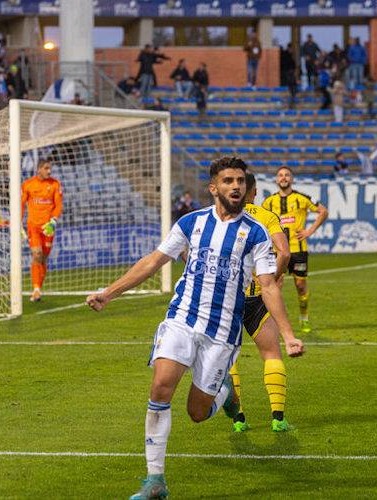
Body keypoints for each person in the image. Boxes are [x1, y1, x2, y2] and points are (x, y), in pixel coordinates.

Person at [86, 157, 304, 500]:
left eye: (240, 181)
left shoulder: (257, 233)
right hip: (182, 318)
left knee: (197, 413)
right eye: (228, 181)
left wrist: (288, 334)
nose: (236, 186)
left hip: (222, 331)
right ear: (213, 187)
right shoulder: (190, 223)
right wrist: (109, 293)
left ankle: (224, 394)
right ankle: (155, 481)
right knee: (160, 387)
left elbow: (269, 285)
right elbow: (154, 260)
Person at [229, 172, 300, 433]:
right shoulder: (266, 217)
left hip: (227, 299)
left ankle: (239, 419)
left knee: (228, 360)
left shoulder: (218, 217)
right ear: (255, 192)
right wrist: (274, 276)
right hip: (258, 296)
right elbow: (285, 252)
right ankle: (278, 418)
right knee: (271, 353)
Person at [262, 167, 329, 333]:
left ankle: (304, 317)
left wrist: (310, 231)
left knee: (300, 285)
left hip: (298, 250)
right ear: (276, 180)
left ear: (291, 179)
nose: (283, 178)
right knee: (276, 286)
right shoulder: (268, 202)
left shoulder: (302, 198)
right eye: (280, 175)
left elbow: (323, 211)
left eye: (286, 175)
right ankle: (276, 322)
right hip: (277, 251)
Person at [21, 159, 63, 302]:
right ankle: (36, 288)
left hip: (48, 228)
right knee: (37, 254)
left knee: (44, 258)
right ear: (39, 169)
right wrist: (19, 224)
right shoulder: (28, 185)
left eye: (50, 168)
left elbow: (58, 205)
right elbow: (21, 205)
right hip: (33, 226)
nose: (49, 171)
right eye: (46, 168)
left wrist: (53, 221)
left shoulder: (55, 184)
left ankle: (38, 288)